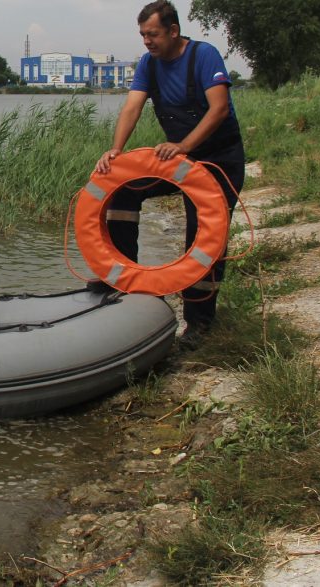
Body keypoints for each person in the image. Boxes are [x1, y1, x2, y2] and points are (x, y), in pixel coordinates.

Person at [95, 0, 244, 347]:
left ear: (173, 31)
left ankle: (199, 323)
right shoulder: (149, 63)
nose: (147, 41)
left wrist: (185, 146)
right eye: (143, 35)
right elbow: (133, 106)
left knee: (203, 238)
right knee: (123, 192)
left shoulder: (204, 56)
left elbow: (219, 109)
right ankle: (124, 282)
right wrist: (116, 149)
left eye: (153, 34)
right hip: (179, 160)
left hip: (219, 157)